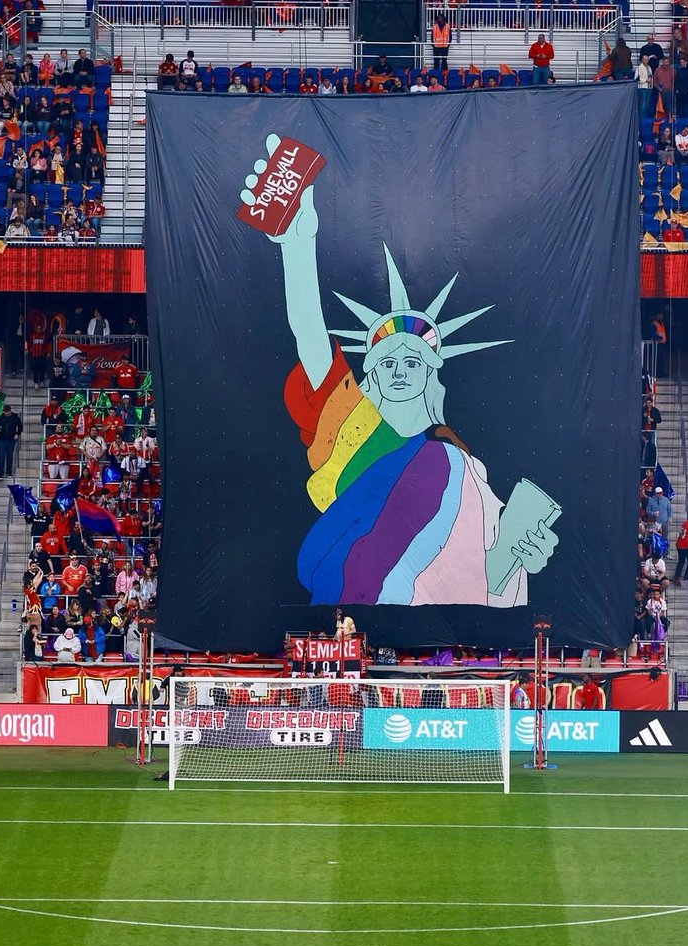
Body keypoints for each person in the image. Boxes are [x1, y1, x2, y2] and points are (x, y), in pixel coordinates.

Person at [239, 133, 559, 608]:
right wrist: (298, 244)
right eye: (388, 362)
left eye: (413, 361)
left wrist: (522, 558)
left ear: (432, 374)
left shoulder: (464, 466)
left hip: (440, 630)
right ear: (371, 373)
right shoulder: (356, 432)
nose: (401, 371)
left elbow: (486, 572)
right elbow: (309, 333)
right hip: (360, 602)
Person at [0, 404, 23, 477]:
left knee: (9, 456)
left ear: (10, 411)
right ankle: (1, 473)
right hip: (2, 439)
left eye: (7, 412)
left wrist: (17, 434)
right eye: (5, 412)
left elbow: (20, 426)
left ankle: (9, 472)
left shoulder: (15, 417)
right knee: (1, 457)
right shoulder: (1, 417)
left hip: (11, 440)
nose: (6, 413)